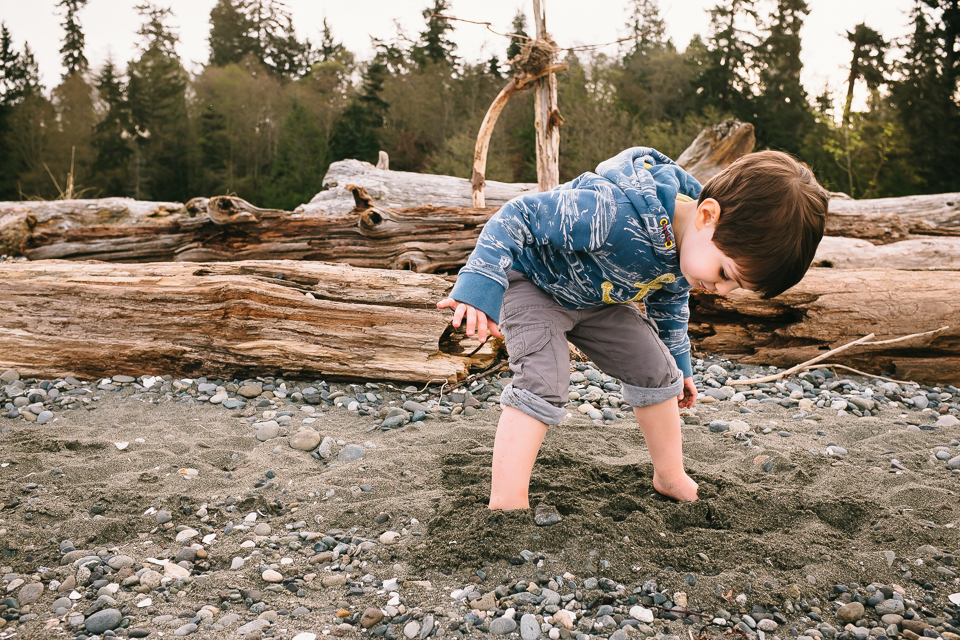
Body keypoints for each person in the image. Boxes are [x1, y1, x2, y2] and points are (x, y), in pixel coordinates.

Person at [437, 147, 828, 509]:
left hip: (598, 302)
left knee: (657, 373)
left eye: (737, 286)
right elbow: (516, 216)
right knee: (543, 379)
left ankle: (670, 475)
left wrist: (680, 366)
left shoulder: (687, 247)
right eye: (726, 273)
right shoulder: (612, 213)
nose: (722, 289)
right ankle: (507, 501)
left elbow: (670, 303)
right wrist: (480, 288)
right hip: (533, 285)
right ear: (707, 216)